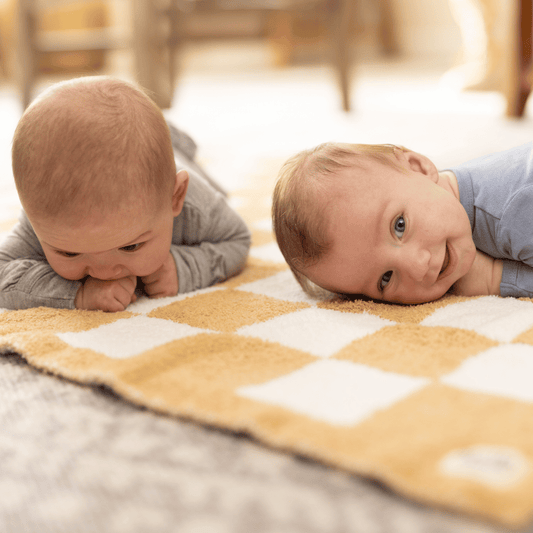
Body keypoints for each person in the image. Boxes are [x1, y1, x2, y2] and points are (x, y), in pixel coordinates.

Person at [0, 76, 251, 312]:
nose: (103, 273)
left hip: (179, 162)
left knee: (195, 170)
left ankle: (177, 139)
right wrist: (76, 294)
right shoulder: (48, 215)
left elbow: (238, 239)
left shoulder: (192, 204)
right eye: (69, 252)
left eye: (130, 246)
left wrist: (186, 267)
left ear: (174, 197)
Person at [272, 141, 533, 304]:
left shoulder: (515, 210)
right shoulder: (447, 195)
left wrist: (494, 277)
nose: (419, 266)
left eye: (399, 226)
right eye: (385, 279)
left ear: (418, 167)